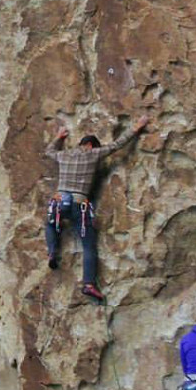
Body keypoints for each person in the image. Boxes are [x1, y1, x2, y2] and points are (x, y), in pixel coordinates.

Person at [44, 116, 150, 301]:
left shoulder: (64, 155)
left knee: (50, 224)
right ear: (92, 146)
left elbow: (49, 151)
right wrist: (137, 126)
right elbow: (118, 144)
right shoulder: (93, 154)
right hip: (79, 205)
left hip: (59, 202)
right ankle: (88, 284)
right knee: (88, 245)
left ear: (82, 144)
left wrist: (59, 137)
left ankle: (53, 250)